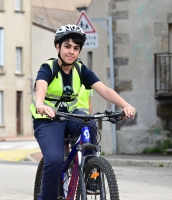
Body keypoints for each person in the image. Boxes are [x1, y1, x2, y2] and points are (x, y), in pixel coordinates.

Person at [30, 24, 136, 200]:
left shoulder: (80, 69)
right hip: (47, 119)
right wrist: (41, 104)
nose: (71, 51)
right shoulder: (48, 68)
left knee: (89, 123)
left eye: (76, 48)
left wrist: (125, 105)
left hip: (70, 116)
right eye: (67, 46)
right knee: (55, 161)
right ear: (58, 47)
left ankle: (91, 173)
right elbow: (41, 87)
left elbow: (104, 90)